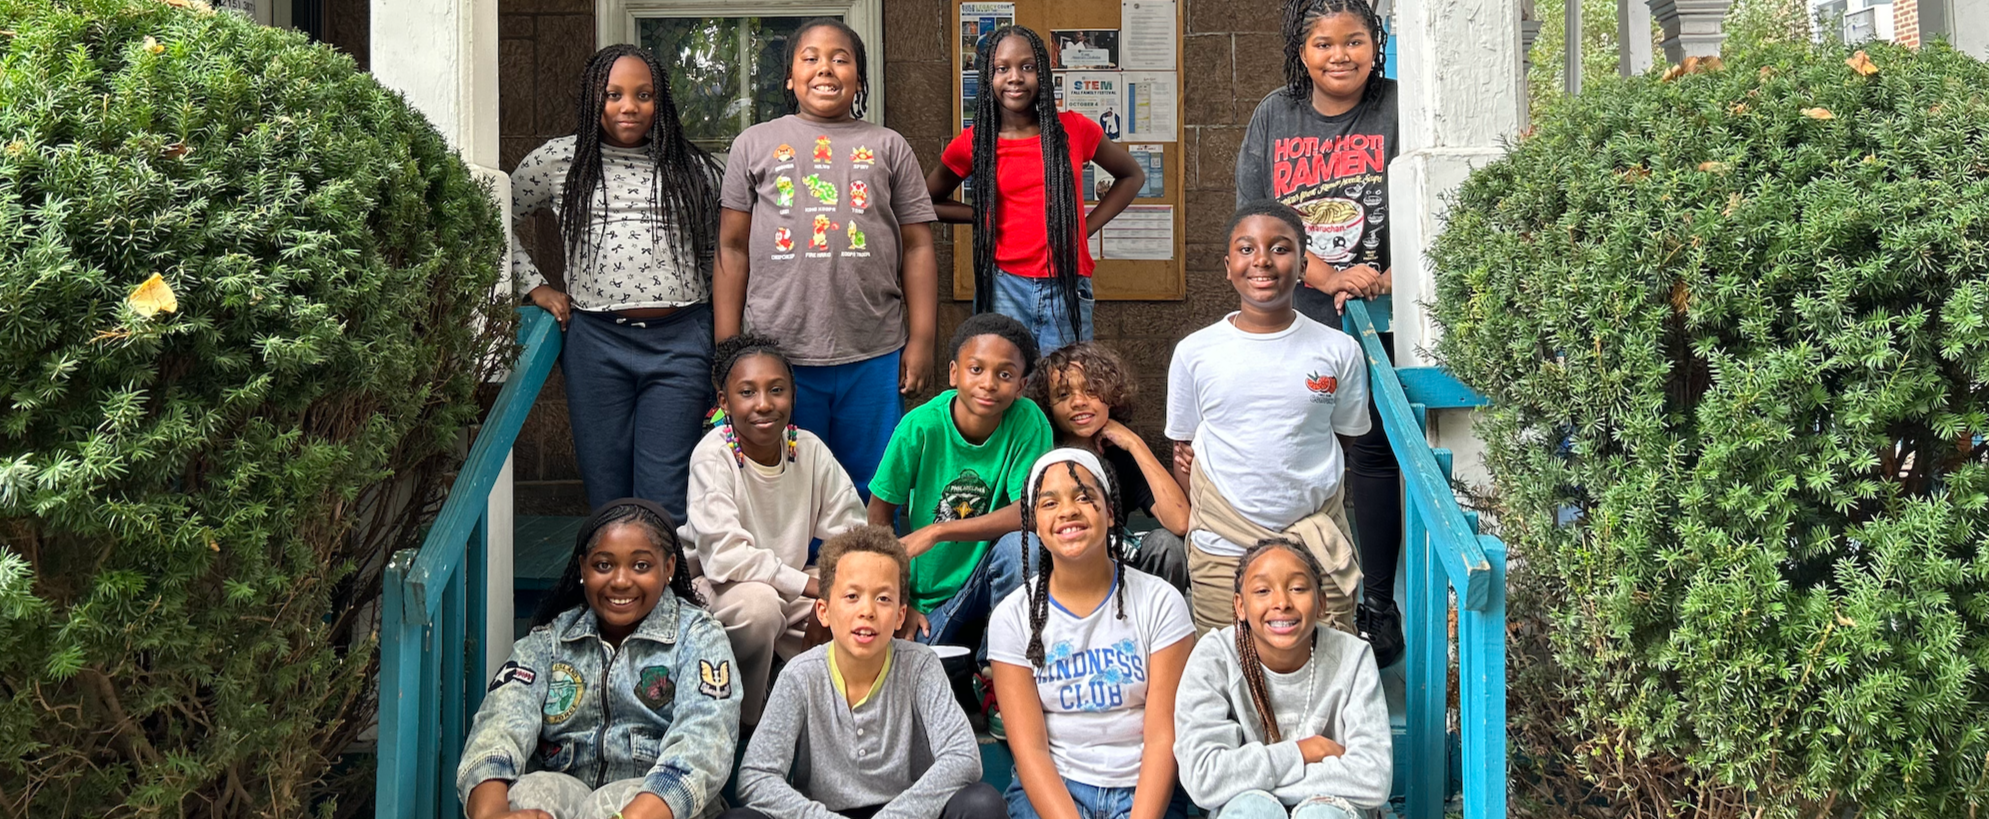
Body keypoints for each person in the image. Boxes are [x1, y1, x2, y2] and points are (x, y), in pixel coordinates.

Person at [1232, 0, 1404, 668]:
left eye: (1354, 41)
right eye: (1324, 44)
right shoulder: (1275, 114)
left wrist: (1391, 275)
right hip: (1294, 315)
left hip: (1382, 315)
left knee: (1373, 455)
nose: (1340, 55)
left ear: (1374, 44)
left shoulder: (1397, 105)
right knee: (1291, 449)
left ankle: (1377, 606)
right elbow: (1256, 215)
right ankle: (1284, 607)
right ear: (1300, 53)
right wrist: (1327, 273)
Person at [716, 18, 939, 500]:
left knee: (874, 482)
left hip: (873, 348)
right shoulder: (753, 144)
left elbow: (919, 247)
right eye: (810, 58)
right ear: (789, 77)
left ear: (859, 77)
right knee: (787, 483)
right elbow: (730, 250)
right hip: (779, 353)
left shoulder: (888, 146)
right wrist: (728, 350)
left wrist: (921, 338)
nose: (826, 68)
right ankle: (798, 576)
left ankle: (873, 572)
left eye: (841, 59)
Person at [510, 45, 723, 522]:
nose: (629, 106)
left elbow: (718, 252)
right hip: (596, 343)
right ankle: (611, 596)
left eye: (643, 95)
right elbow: (490, 216)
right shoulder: (559, 160)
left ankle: (666, 594)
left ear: (660, 101)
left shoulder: (694, 168)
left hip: (680, 341)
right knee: (605, 487)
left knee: (665, 494)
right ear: (593, 99)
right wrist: (533, 286)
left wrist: (718, 336)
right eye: (614, 94)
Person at [458, 500, 739, 819]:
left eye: (641, 566)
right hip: (568, 792)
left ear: (669, 567)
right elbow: (499, 724)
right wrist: (493, 814)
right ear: (583, 568)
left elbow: (704, 742)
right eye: (604, 565)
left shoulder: (699, 638)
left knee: (604, 808)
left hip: (659, 806)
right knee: (530, 793)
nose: (620, 581)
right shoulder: (550, 641)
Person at [1166, 202, 1370, 637]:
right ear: (1228, 266)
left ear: (1303, 265)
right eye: (1246, 248)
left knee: (1327, 668)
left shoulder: (1339, 350)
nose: (1261, 260)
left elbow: (1342, 437)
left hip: (1315, 545)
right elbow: (1184, 450)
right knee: (1226, 673)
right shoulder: (1196, 352)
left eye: (1280, 248)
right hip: (1223, 549)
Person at [727, 526, 1008, 819]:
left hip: (906, 814)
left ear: (901, 615)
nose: (867, 611)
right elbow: (756, 776)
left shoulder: (920, 666)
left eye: (883, 598)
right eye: (851, 596)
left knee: (981, 804)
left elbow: (963, 758)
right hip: (824, 815)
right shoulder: (800, 675)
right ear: (823, 611)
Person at [989, 449, 1196, 819]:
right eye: (1049, 502)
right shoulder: (1013, 616)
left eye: (1084, 496)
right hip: (1056, 789)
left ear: (1112, 511)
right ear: (1034, 522)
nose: (1067, 510)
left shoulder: (1161, 602)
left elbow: (1164, 738)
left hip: (1141, 788)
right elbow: (1031, 750)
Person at [681, 334, 866, 728]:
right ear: (724, 402)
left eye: (776, 390)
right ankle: (746, 720)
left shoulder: (809, 449)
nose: (763, 404)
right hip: (717, 586)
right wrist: (812, 588)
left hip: (788, 582)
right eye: (747, 392)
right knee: (760, 608)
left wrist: (832, 593)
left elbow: (851, 534)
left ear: (793, 396)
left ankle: (818, 712)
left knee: (857, 604)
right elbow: (725, 557)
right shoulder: (713, 455)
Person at [926, 25, 1146, 351]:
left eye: (1027, 67)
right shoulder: (974, 143)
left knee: (1065, 387)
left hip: (1067, 285)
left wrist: (1083, 228)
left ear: (1042, 73)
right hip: (1004, 286)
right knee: (1007, 388)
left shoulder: (1075, 129)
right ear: (988, 77)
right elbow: (925, 200)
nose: (1015, 77)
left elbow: (1132, 176)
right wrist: (983, 215)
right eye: (1002, 68)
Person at [868, 312, 1052, 647]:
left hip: (993, 581)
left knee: (1022, 547)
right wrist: (899, 600)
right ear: (954, 373)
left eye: (1005, 374)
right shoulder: (919, 427)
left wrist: (938, 531)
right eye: (976, 369)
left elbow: (1027, 513)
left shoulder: (1029, 422)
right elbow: (879, 514)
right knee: (918, 661)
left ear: (1021, 386)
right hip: (930, 603)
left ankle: (998, 669)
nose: (989, 383)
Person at [1173, 538, 1392, 819]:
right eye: (1263, 590)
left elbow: (1373, 779)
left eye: (1298, 588)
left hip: (1334, 806)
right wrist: (1303, 752)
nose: (1282, 603)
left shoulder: (1353, 656)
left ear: (1321, 603)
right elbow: (1203, 779)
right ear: (1240, 606)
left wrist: (1250, 776)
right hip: (1244, 806)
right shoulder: (1216, 657)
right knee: (1254, 811)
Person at [1019, 341, 1188, 591]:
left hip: (1122, 575)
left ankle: (1155, 626)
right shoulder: (1044, 453)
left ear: (1112, 395)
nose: (1078, 402)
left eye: (1091, 390)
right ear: (1048, 405)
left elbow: (1180, 522)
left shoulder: (1120, 454)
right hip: (1062, 570)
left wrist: (1134, 443)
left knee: (1166, 544)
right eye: (1064, 395)